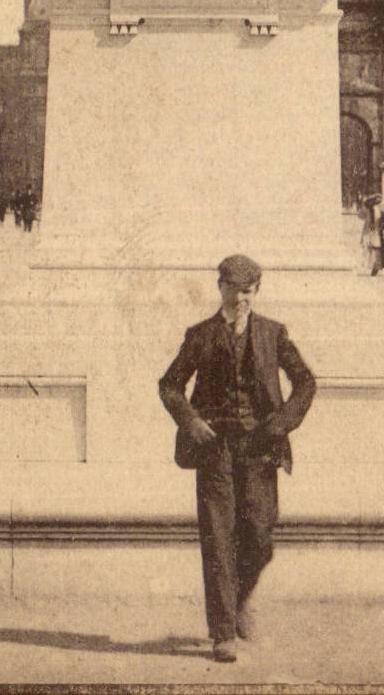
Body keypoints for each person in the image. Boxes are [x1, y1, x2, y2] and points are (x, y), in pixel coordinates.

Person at [158, 253, 316, 662]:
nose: (240, 297)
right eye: (232, 288)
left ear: (256, 292)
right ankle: (223, 631)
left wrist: (281, 423)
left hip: (260, 447)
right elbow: (170, 385)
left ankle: (240, 598)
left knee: (260, 535)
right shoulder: (200, 335)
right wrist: (191, 422)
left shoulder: (273, 334)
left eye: (247, 290)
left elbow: (305, 383)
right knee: (217, 535)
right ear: (220, 288)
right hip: (215, 449)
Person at [359, 192, 384, 276]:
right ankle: (372, 266)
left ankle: (372, 266)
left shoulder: (370, 209)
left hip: (371, 231)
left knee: (371, 249)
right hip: (373, 231)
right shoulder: (374, 209)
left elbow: (360, 216)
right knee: (373, 249)